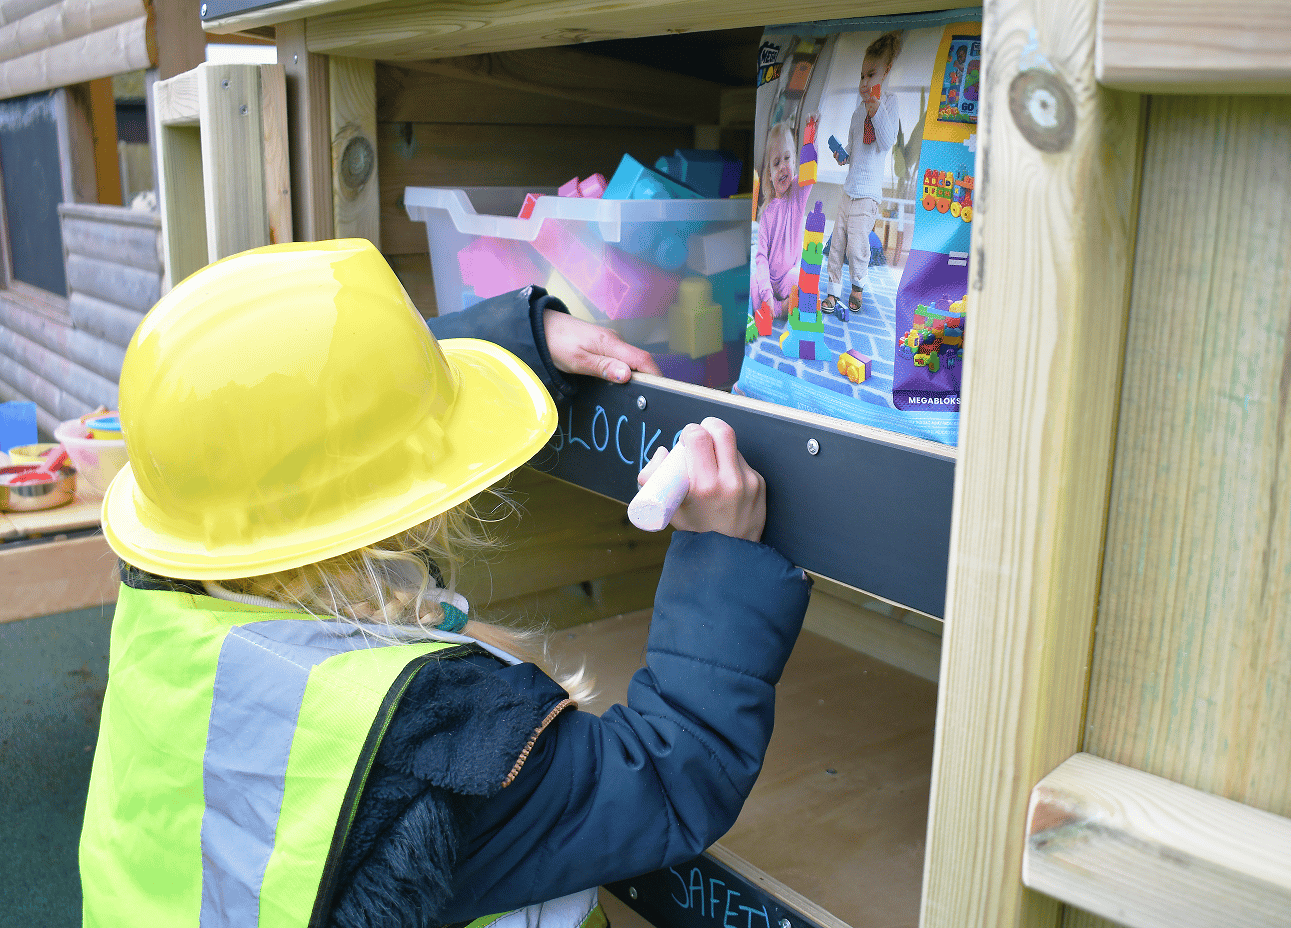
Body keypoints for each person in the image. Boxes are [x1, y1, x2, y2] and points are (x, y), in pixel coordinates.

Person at [79, 239, 812, 928]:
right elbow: (666, 777)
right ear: (394, 514)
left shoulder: (164, 598)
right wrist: (722, 556)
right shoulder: (429, 751)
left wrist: (523, 341)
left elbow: (293, 395)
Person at [824, 30, 902, 315]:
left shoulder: (889, 103)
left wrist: (875, 111)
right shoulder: (858, 111)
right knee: (837, 243)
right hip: (848, 190)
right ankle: (833, 290)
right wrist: (842, 155)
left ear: (887, 71)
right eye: (861, 76)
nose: (864, 82)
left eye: (871, 75)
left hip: (868, 195)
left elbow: (886, 141)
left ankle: (857, 285)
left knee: (857, 246)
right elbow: (855, 146)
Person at [752, 119, 814, 320]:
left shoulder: (798, 193)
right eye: (776, 163)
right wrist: (767, 294)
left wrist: (811, 134)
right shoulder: (767, 214)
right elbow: (760, 257)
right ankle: (777, 307)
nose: (782, 167)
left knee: (803, 282)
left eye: (787, 159)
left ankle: (779, 308)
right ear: (769, 174)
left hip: (789, 276)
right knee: (753, 284)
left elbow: (809, 171)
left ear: (795, 163)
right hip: (769, 280)